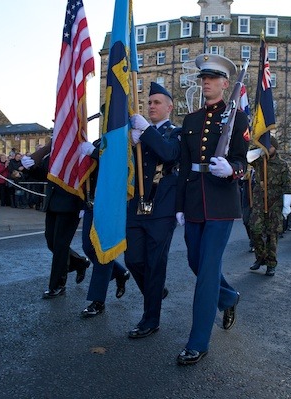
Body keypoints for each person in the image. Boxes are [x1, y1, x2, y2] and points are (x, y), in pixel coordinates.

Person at [174, 54, 249, 365]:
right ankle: (229, 297)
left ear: (225, 84)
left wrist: (231, 169)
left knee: (206, 273)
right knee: (195, 261)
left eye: (212, 78)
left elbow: (245, 162)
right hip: (193, 199)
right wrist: (180, 205)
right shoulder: (190, 121)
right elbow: (182, 166)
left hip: (220, 202)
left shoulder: (238, 118)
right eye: (203, 78)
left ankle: (198, 341)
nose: (205, 82)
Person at [123, 82, 181, 338]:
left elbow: (168, 154)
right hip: (137, 206)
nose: (151, 106)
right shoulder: (139, 135)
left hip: (161, 209)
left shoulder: (176, 133)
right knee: (133, 259)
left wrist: (146, 132)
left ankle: (150, 320)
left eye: (157, 103)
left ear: (169, 107)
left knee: (156, 264)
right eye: (149, 102)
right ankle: (155, 292)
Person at [21, 143, 90, 299]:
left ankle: (58, 284)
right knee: (51, 242)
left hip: (71, 204)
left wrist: (82, 204)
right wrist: (31, 166)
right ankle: (79, 262)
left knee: (60, 246)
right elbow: (44, 174)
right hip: (53, 203)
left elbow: (85, 178)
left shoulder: (79, 152)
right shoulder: (54, 153)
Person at [77, 138, 131, 317]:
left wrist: (93, 153)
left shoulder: (122, 137)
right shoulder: (100, 141)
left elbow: (116, 164)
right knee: (88, 247)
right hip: (93, 204)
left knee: (103, 250)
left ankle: (97, 300)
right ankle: (120, 272)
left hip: (111, 204)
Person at [246, 136, 291, 276]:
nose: (268, 149)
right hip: (259, 202)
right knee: (255, 230)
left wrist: (286, 205)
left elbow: (288, 185)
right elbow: (247, 157)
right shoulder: (259, 160)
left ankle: (271, 264)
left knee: (272, 235)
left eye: (269, 147)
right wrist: (259, 150)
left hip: (275, 204)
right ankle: (260, 258)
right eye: (266, 146)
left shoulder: (282, 165)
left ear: (275, 147)